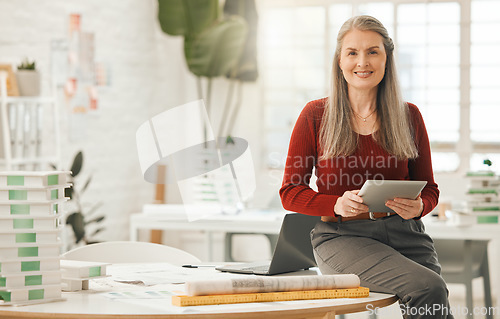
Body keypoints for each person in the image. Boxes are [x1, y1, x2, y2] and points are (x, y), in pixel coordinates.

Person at [280, 15, 454, 319]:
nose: (363, 62)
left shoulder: (409, 115)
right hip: (342, 236)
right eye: (352, 53)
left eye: (373, 51)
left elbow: (429, 188)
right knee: (428, 287)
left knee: (435, 302)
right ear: (339, 60)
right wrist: (335, 203)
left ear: (387, 59)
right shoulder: (315, 115)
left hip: (406, 232)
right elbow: (290, 191)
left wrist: (420, 206)